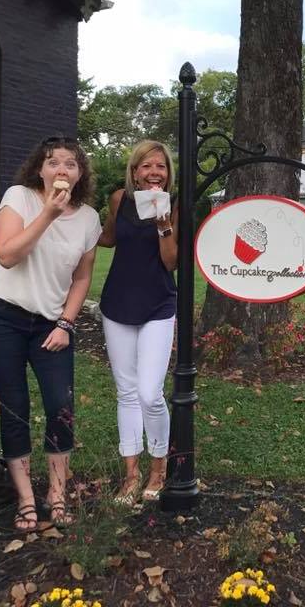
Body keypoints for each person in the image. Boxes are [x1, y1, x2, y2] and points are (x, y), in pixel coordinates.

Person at [0, 135, 101, 531]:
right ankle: (27, 498)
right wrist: (48, 213)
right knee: (14, 407)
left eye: (71, 164)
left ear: (80, 174)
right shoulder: (20, 198)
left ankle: (57, 493)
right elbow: (8, 255)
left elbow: (81, 278)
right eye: (53, 162)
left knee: (60, 406)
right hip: (1, 318)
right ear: (40, 169)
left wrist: (66, 323)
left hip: (51, 325)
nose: (61, 169)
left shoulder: (89, 218)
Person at [98, 140, 178, 503]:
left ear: (167, 173)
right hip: (117, 303)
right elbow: (109, 238)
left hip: (158, 304)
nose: (153, 173)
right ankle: (131, 476)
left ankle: (158, 467)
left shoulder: (175, 206)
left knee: (149, 392)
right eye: (146, 166)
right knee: (126, 392)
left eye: (160, 166)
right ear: (134, 172)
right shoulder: (119, 200)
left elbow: (172, 262)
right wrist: (67, 224)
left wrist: (163, 226)